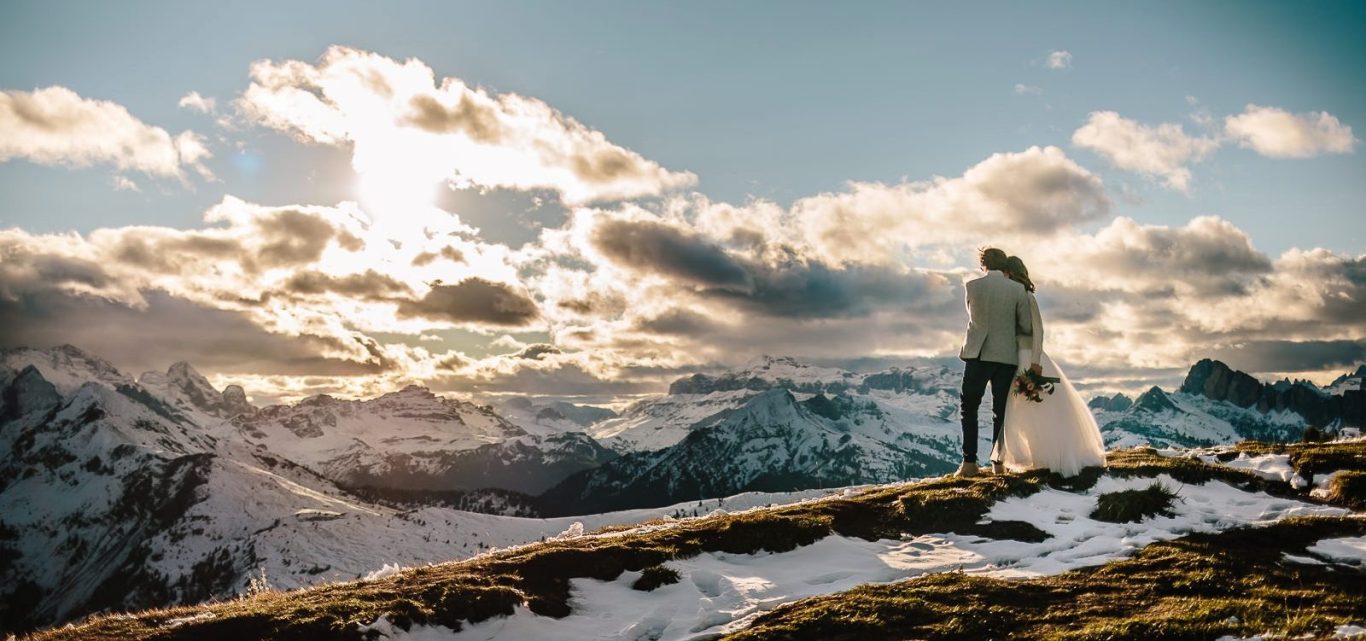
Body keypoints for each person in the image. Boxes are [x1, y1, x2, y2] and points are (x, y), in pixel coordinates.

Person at [992, 255, 1106, 477]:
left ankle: (1044, 457)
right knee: (1021, 411)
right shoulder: (1013, 296)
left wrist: (1035, 362)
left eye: (1005, 273)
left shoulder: (1026, 296)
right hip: (1016, 356)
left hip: (1028, 358)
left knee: (1036, 409)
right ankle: (1025, 456)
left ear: (1011, 273)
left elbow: (1038, 331)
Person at [955, 247, 1032, 478]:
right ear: (1004, 266)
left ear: (983, 264)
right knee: (1001, 411)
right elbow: (1026, 325)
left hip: (977, 354)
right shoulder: (1017, 290)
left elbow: (973, 315)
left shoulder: (972, 286)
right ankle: (998, 463)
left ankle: (969, 463)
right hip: (1006, 356)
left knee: (969, 408)